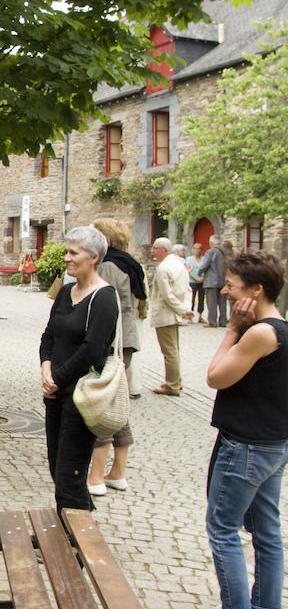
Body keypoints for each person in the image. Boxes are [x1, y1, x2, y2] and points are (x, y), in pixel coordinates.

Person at [189, 252, 288, 609]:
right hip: (272, 444)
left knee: (222, 527)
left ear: (256, 289)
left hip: (246, 446)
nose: (224, 289)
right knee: (266, 529)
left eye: (232, 283)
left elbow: (216, 377)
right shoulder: (281, 328)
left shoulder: (261, 333)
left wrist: (232, 329)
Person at [39, 226, 119, 512]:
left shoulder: (104, 298)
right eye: (66, 251)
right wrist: (46, 369)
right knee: (56, 466)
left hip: (80, 396)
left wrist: (57, 379)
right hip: (56, 393)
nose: (67, 258)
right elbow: (49, 335)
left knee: (70, 472)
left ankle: (73, 540)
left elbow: (92, 350)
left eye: (74, 253)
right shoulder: (66, 292)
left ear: (93, 257)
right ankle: (78, 527)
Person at [85, 219, 144, 497]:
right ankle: (117, 471)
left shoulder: (108, 266)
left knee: (101, 404)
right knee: (115, 399)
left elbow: (100, 305)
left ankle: (96, 477)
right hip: (125, 339)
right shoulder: (130, 263)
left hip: (111, 340)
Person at [149, 237, 194, 396]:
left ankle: (172, 385)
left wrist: (183, 309)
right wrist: (185, 308)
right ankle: (176, 381)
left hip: (166, 313)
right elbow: (188, 289)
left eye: (155, 248)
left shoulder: (163, 268)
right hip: (174, 312)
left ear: (165, 250)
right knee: (173, 349)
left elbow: (167, 296)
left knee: (169, 351)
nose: (152, 250)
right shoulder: (178, 265)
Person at [199, 235, 229, 327]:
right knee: (222, 303)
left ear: (211, 243)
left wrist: (199, 272)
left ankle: (212, 322)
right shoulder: (225, 252)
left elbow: (205, 265)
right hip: (223, 280)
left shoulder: (210, 251)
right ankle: (223, 321)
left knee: (211, 303)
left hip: (211, 281)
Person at [187, 243, 206, 322]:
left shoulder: (204, 259)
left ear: (201, 250)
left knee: (201, 299)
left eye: (198, 249)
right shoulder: (189, 259)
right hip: (192, 281)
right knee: (192, 298)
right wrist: (196, 278)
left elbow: (206, 269)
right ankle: (190, 316)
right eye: (195, 248)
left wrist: (202, 278)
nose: (196, 250)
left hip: (202, 281)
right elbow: (188, 270)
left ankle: (200, 316)